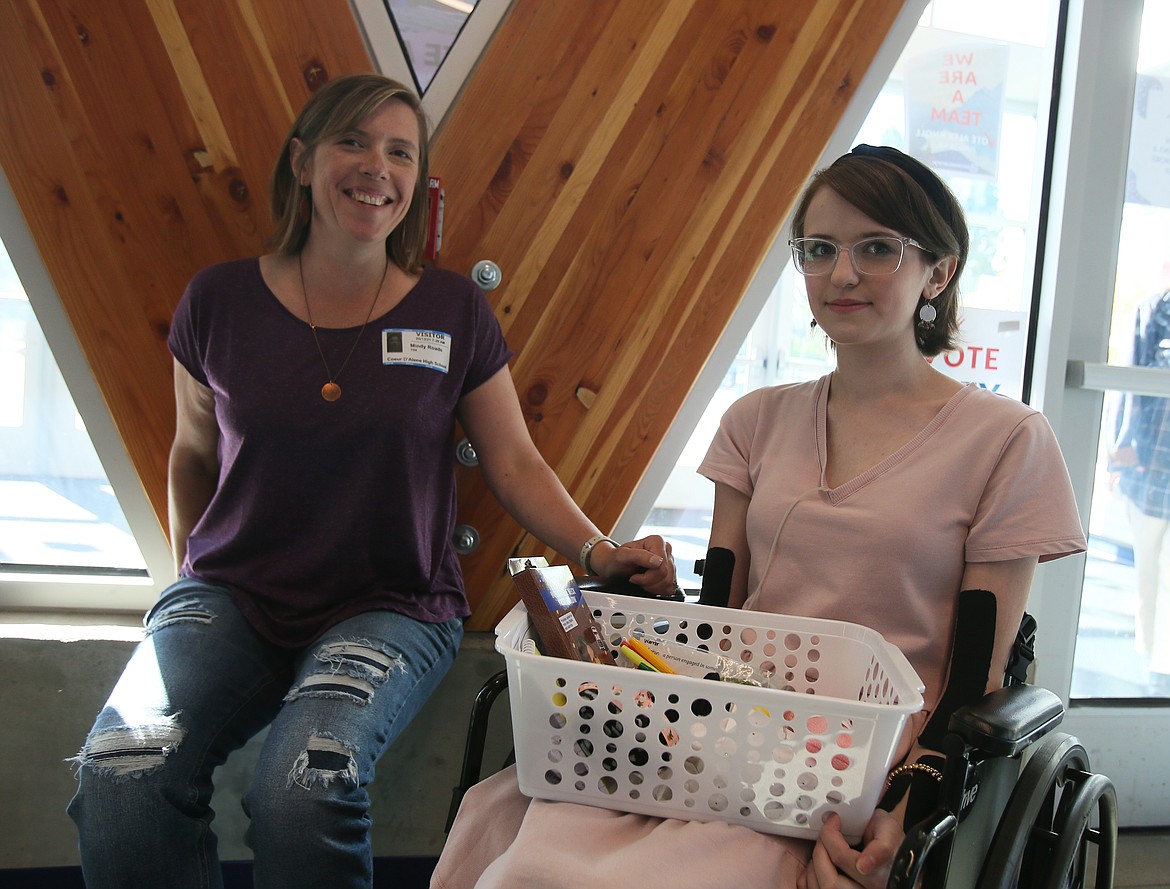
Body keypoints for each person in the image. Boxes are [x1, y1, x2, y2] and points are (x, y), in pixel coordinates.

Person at [65, 73, 676, 889]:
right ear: (303, 161)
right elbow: (192, 455)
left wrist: (597, 552)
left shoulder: (454, 311)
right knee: (120, 769)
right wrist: (186, 588)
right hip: (229, 596)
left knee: (301, 787)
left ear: (417, 187)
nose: (374, 167)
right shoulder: (218, 300)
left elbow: (515, 462)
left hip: (392, 604)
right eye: (352, 141)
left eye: (399, 152)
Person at [432, 144, 1086, 889]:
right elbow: (723, 615)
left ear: (938, 271)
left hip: (865, 756)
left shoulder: (1005, 440)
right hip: (732, 718)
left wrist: (906, 805)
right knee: (529, 852)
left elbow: (977, 674)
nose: (842, 273)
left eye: (877, 248)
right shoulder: (755, 422)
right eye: (820, 249)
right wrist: (663, 605)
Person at [1108, 289, 1170, 696]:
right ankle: (1155, 680)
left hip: (1152, 464)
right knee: (1149, 576)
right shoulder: (1156, 308)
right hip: (1153, 468)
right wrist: (1123, 453)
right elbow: (1131, 388)